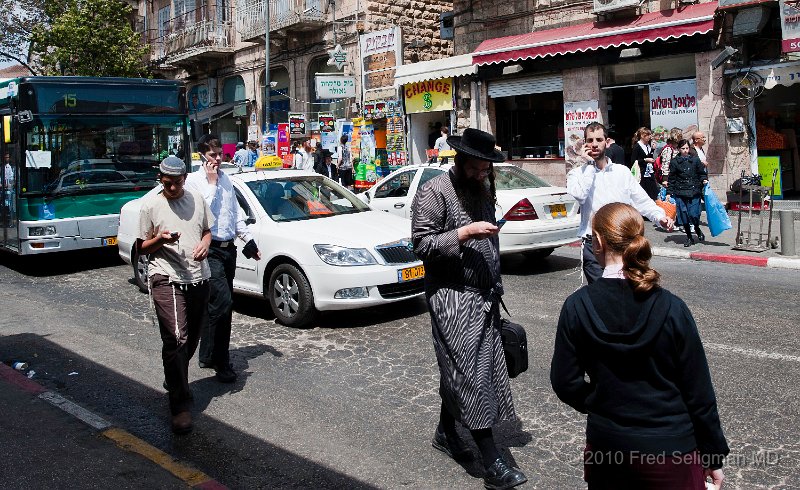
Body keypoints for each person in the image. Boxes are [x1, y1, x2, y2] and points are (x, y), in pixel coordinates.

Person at [550, 202, 729, 489]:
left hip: (607, 448)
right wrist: (712, 454)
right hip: (671, 451)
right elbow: (699, 393)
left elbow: (564, 382)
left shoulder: (576, 306)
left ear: (597, 241)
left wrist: (601, 402)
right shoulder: (671, 307)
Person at [412, 127, 528, 490]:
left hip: (484, 296)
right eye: (477, 168)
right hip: (452, 296)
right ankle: (492, 460)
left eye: (487, 169)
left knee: (468, 369)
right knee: (470, 373)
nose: (483, 174)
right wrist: (463, 234)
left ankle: (447, 432)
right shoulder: (434, 192)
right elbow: (420, 245)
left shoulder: (483, 187)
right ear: (460, 161)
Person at [137, 156, 213, 434]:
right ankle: (179, 405)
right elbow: (141, 247)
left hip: (198, 276)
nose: (172, 189)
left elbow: (207, 231)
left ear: (184, 179)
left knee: (191, 338)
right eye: (166, 184)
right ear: (160, 179)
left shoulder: (196, 199)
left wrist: (205, 244)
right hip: (165, 276)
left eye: (177, 183)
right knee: (177, 338)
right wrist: (160, 240)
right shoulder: (151, 205)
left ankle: (175, 374)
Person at [185, 134, 261, 383]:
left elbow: (234, 212)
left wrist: (248, 241)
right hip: (210, 249)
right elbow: (203, 212)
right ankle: (220, 360)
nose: (217, 159)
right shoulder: (194, 182)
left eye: (219, 154)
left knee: (216, 304)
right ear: (201, 156)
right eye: (212, 156)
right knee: (223, 303)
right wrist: (211, 182)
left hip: (228, 250)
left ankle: (208, 354)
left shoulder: (227, 179)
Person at [567, 122, 674, 284]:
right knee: (602, 295)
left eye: (598, 139)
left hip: (622, 243)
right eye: (590, 140)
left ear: (607, 141)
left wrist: (660, 217)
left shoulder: (621, 172)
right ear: (584, 143)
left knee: (626, 292)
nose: (594, 144)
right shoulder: (577, 174)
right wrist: (589, 164)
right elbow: (580, 196)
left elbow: (642, 201)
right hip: (594, 244)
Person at [667, 139, 708, 247]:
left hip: (694, 191)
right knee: (684, 216)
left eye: (686, 148)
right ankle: (689, 237)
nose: (685, 151)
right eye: (683, 148)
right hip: (680, 192)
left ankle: (697, 229)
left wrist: (704, 179)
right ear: (679, 149)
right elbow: (672, 178)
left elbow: (701, 173)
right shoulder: (675, 162)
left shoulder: (695, 160)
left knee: (694, 214)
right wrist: (669, 192)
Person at [631, 127, 659, 200]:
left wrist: (652, 150)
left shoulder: (648, 145)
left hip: (649, 173)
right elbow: (633, 161)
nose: (649, 137)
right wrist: (645, 160)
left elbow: (649, 157)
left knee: (653, 193)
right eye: (647, 135)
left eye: (650, 135)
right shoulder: (637, 146)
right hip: (641, 174)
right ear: (642, 136)